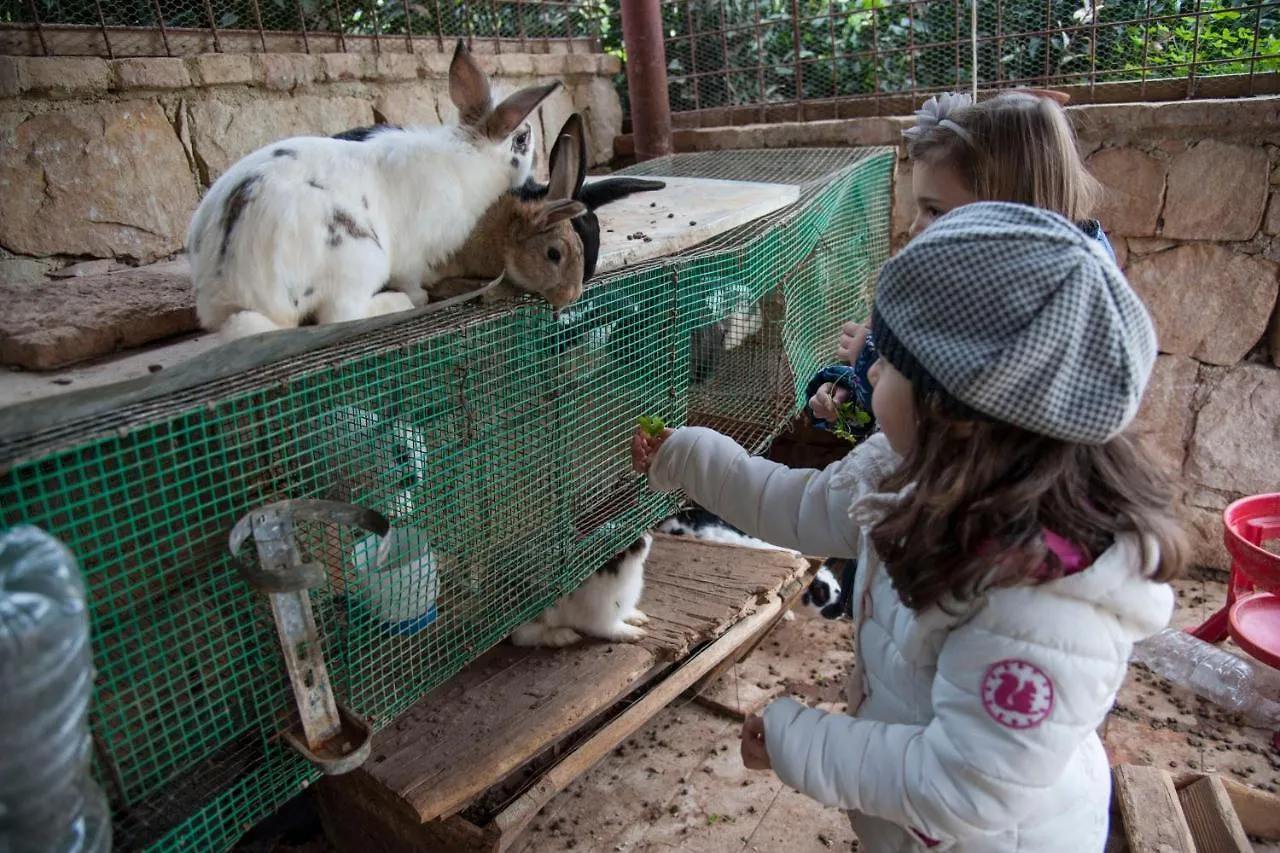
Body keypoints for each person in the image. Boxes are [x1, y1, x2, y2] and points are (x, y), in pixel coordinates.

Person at [631, 202, 1186, 852]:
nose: (868, 373)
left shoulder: (1041, 603)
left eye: (889, 362)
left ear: (954, 406)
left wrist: (802, 741)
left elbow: (962, 787)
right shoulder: (913, 461)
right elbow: (800, 506)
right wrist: (688, 456)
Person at [808, 88, 1111, 434]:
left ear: (1006, 210)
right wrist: (847, 392)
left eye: (935, 211)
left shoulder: (1038, 310)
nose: (913, 228)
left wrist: (871, 357)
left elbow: (939, 421)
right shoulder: (982, 278)